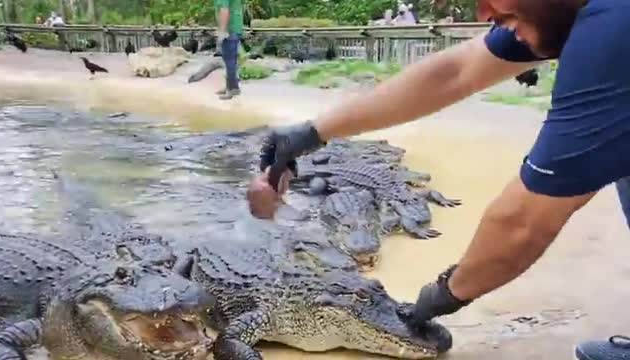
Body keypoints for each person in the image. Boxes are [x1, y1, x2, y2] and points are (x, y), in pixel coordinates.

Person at [248, 0, 630, 359]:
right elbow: (453, 73)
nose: (481, 11)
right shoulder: (552, 10)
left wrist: (446, 293)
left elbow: (523, 222)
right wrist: (313, 131)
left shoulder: (610, 33)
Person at [213, 0, 244, 100]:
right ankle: (233, 87)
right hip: (235, 29)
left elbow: (224, 11)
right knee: (231, 60)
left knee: (229, 61)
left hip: (230, 31)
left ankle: (230, 89)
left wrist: (222, 31)